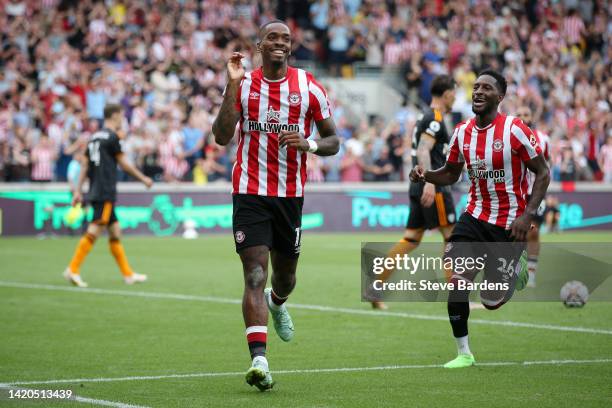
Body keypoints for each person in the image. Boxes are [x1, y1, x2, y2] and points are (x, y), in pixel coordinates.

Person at [212, 20, 339, 391]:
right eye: (272, 38)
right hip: (249, 192)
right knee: (254, 273)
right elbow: (221, 137)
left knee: (285, 278)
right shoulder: (244, 84)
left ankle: (278, 302)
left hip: (290, 195)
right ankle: (259, 361)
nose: (280, 43)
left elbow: (333, 140)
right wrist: (232, 85)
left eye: (285, 38)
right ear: (259, 45)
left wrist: (310, 144)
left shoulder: (308, 87)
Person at [410, 70, 549, 369]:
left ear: (499, 96)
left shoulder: (514, 130)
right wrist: (426, 175)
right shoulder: (461, 132)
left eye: (486, 88)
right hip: (474, 216)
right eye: (475, 87)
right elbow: (451, 172)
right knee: (457, 279)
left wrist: (528, 215)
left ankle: (515, 269)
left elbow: (543, 171)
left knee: (490, 301)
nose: (478, 92)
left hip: (509, 223)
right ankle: (464, 353)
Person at [372, 75, 457, 310]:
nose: (456, 98)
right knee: (453, 238)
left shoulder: (424, 116)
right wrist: (430, 181)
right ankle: (459, 299)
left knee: (411, 239)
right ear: (447, 93)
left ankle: (375, 286)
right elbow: (423, 149)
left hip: (416, 184)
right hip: (433, 185)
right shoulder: (435, 118)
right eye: (454, 92)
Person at [63, 104, 153, 288]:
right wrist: (143, 178)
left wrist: (79, 191)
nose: (122, 119)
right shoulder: (112, 138)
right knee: (95, 229)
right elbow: (124, 164)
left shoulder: (93, 138)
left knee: (115, 230)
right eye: (121, 115)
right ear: (115, 115)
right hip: (105, 191)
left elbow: (85, 166)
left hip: (96, 189)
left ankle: (128, 275)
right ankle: (72, 269)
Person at [516, 105, 550, 288]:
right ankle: (511, 269)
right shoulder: (509, 137)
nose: (522, 117)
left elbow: (546, 167)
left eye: (526, 114)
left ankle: (531, 273)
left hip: (535, 193)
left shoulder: (543, 139)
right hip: (515, 193)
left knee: (533, 232)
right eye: (519, 114)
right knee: (514, 233)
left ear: (531, 117)